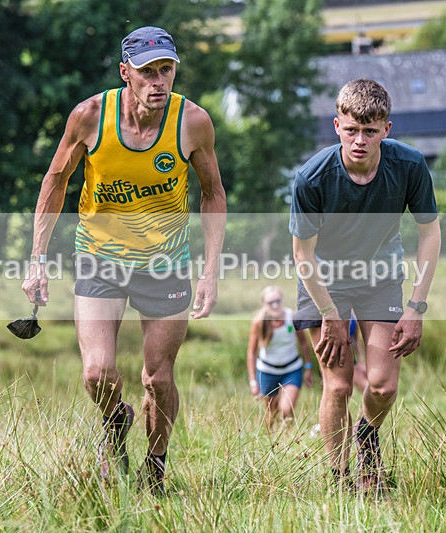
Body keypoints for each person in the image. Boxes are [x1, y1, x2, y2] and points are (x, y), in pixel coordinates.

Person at [21, 26, 226, 496]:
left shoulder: (192, 122)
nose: (158, 82)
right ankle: (116, 421)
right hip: (100, 258)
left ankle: (154, 471)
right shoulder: (91, 116)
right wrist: (37, 258)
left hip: (166, 263)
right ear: (124, 74)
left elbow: (213, 194)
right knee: (97, 373)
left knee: (157, 376)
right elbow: (55, 182)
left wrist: (210, 272)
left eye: (166, 71)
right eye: (147, 72)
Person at [290, 79, 441, 492]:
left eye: (370, 131)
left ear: (386, 130)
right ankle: (341, 480)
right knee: (337, 384)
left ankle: (368, 437)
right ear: (336, 125)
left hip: (380, 278)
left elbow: (430, 233)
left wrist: (416, 307)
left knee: (382, 383)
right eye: (352, 129)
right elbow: (303, 255)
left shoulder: (409, 166)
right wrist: (330, 315)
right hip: (324, 283)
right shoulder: (312, 178)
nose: (360, 140)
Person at [246, 286, 314, 429]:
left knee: (286, 409)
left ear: (282, 300)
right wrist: (253, 382)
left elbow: (304, 343)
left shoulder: (291, 317)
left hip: (292, 369)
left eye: (278, 301)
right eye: (271, 302)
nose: (275, 305)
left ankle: (289, 438)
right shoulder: (258, 322)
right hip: (267, 371)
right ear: (264, 304)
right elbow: (251, 353)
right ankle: (271, 438)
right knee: (272, 411)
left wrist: (308, 367)